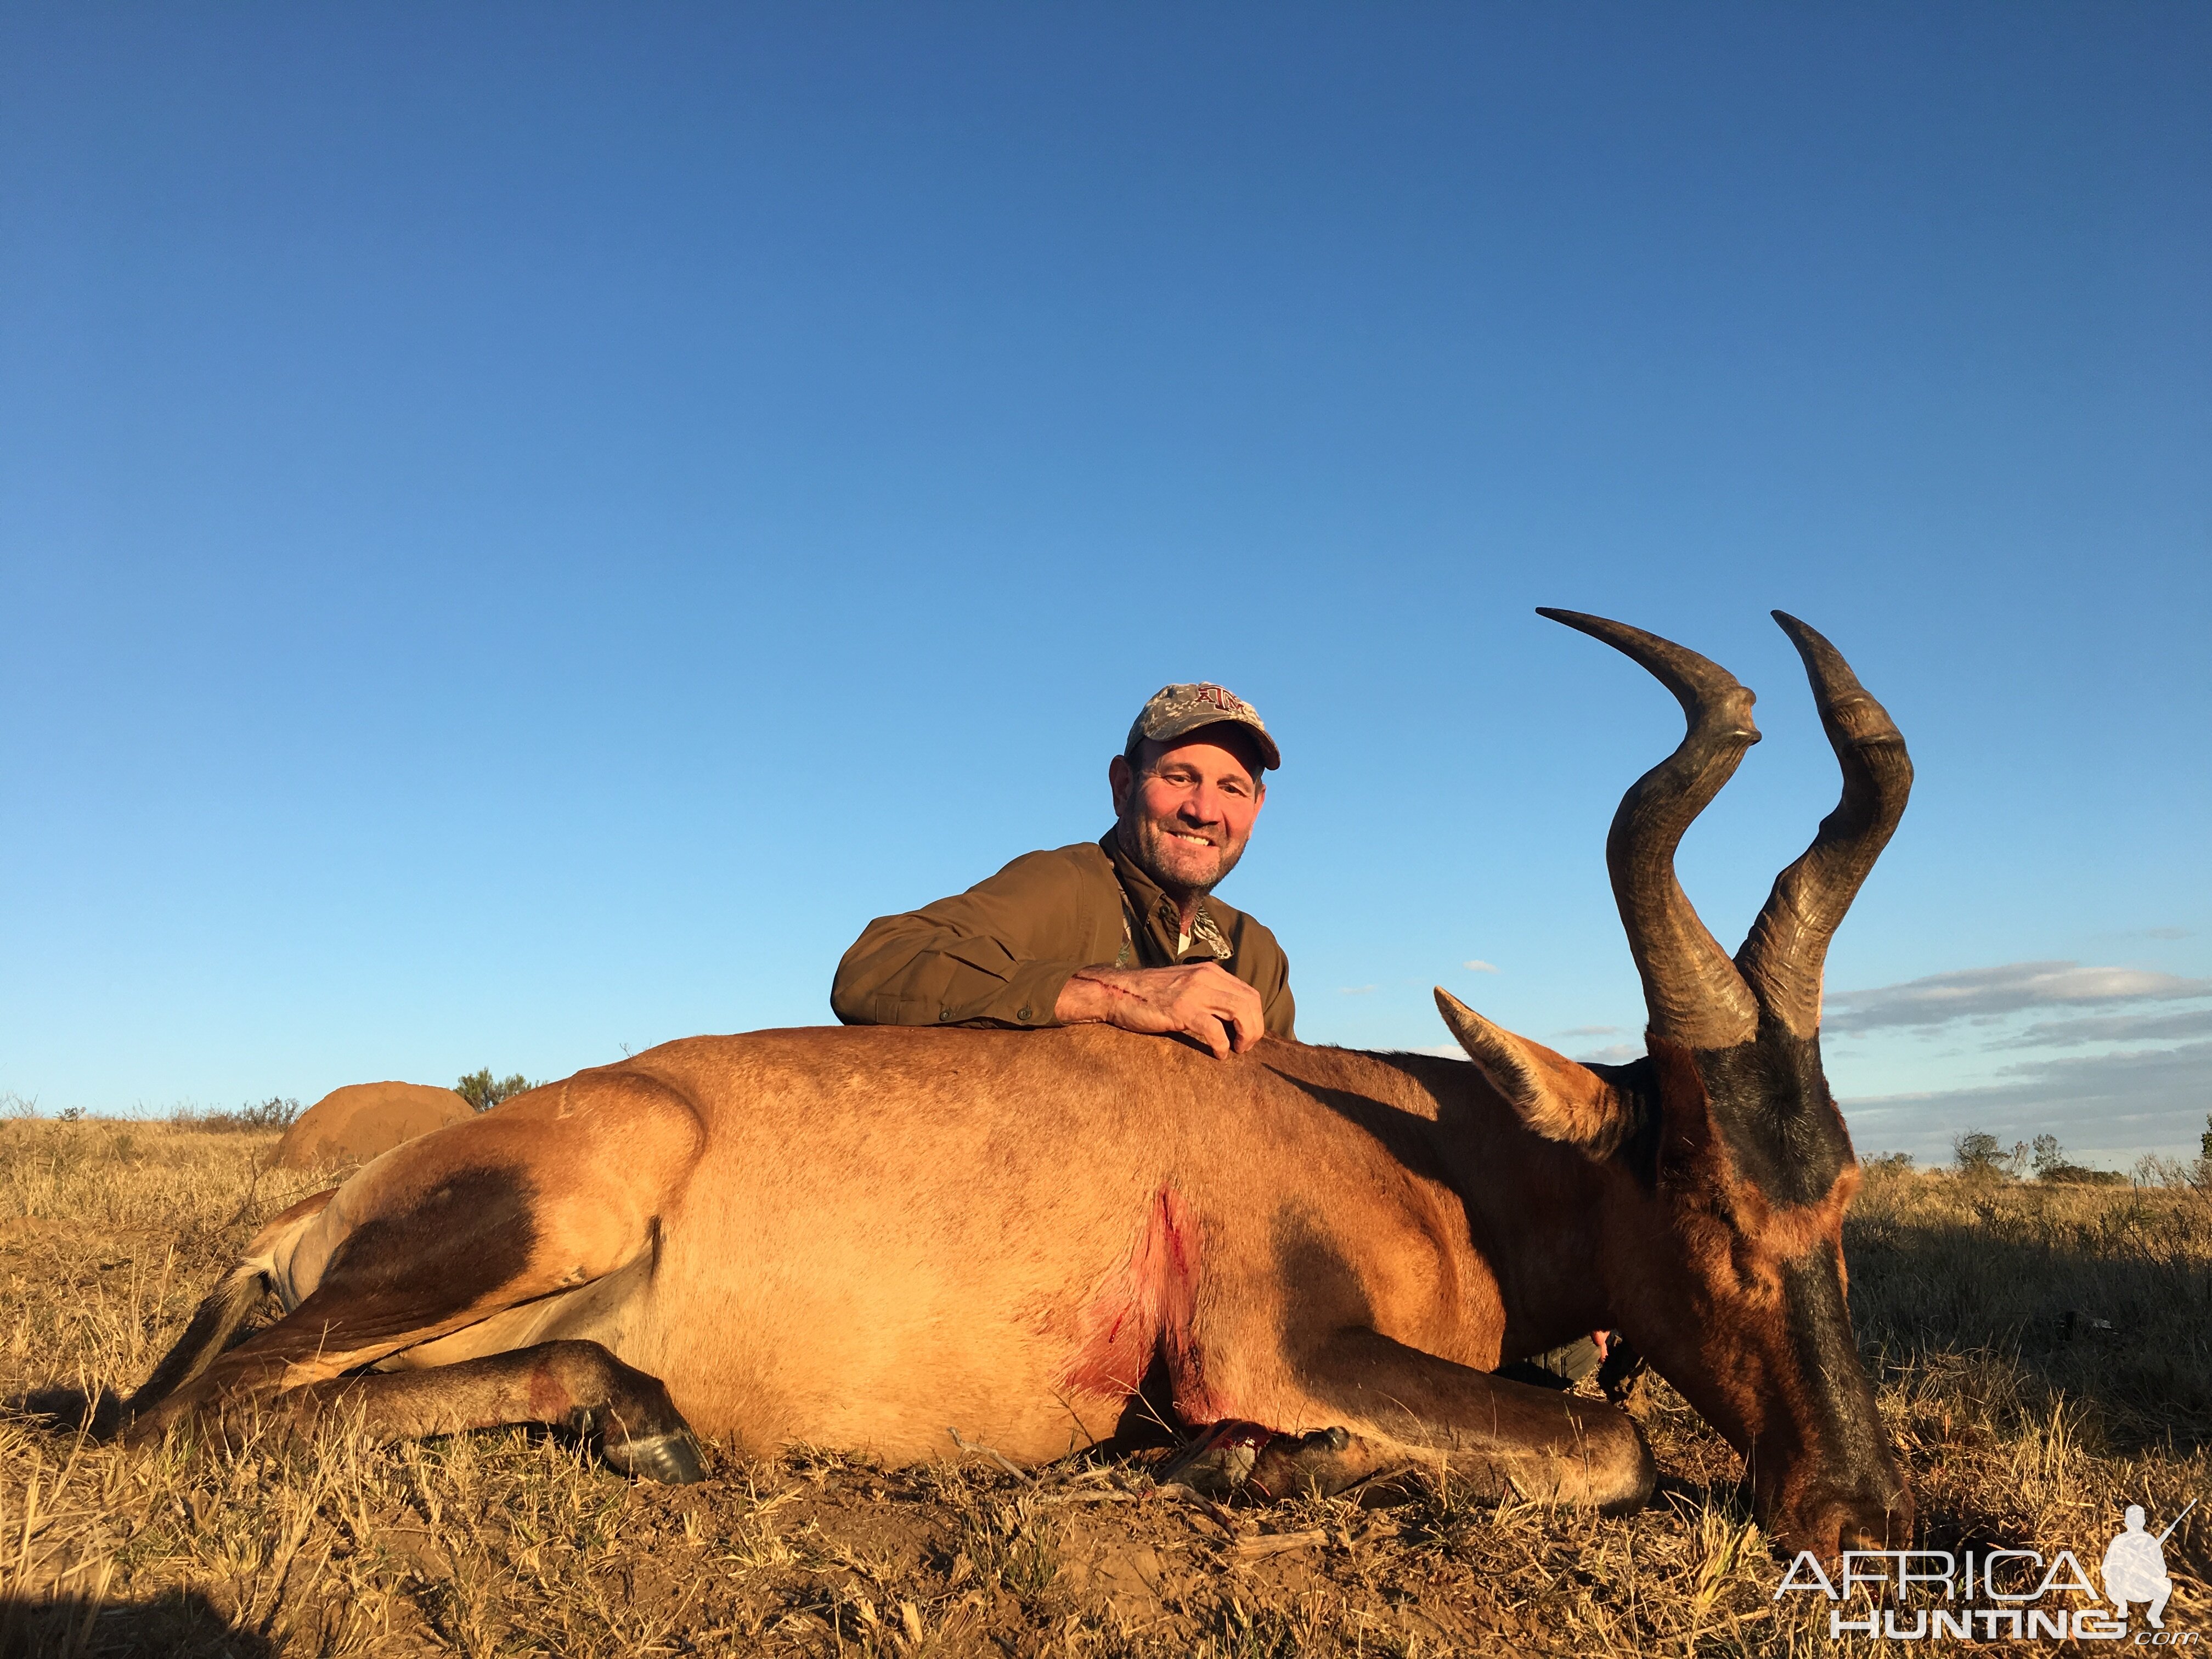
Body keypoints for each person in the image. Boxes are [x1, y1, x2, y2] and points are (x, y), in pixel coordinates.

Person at [832, 682, 1293, 1057]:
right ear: (1123, 786)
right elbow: (873, 966)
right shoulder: (1065, 886)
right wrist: (1113, 995)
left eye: (1232, 788)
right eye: (1179, 777)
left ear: (1256, 810)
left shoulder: (1257, 955)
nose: (1204, 810)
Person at [2102, 1504, 2174, 1629]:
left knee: (2166, 1584)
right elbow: (2106, 1568)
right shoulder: (2119, 1541)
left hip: (2145, 1586)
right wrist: (2121, 1571)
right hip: (2123, 1586)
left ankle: (2154, 1616)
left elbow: (2162, 1570)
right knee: (2110, 1583)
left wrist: (2147, 1570)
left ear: (2144, 1521)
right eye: (2133, 1519)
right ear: (2126, 1522)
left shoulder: (2150, 1541)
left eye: (2139, 1519)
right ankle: (2122, 1610)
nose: (2136, 1522)